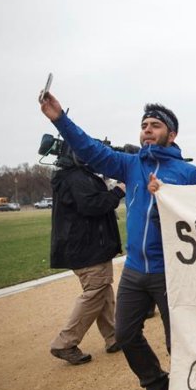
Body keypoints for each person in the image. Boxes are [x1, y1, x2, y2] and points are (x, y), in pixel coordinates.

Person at [39, 92, 196, 390]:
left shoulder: (188, 174)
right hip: (134, 270)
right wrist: (60, 119)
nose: (147, 130)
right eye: (143, 125)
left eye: (155, 125)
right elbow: (89, 149)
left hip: (171, 271)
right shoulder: (130, 165)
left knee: (180, 343)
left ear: (171, 135)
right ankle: (156, 383)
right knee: (126, 334)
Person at [48, 144, 124, 365]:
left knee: (102, 290)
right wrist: (120, 190)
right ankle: (65, 343)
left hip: (87, 246)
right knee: (96, 292)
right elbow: (93, 205)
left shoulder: (74, 176)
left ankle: (113, 337)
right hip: (87, 247)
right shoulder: (77, 178)